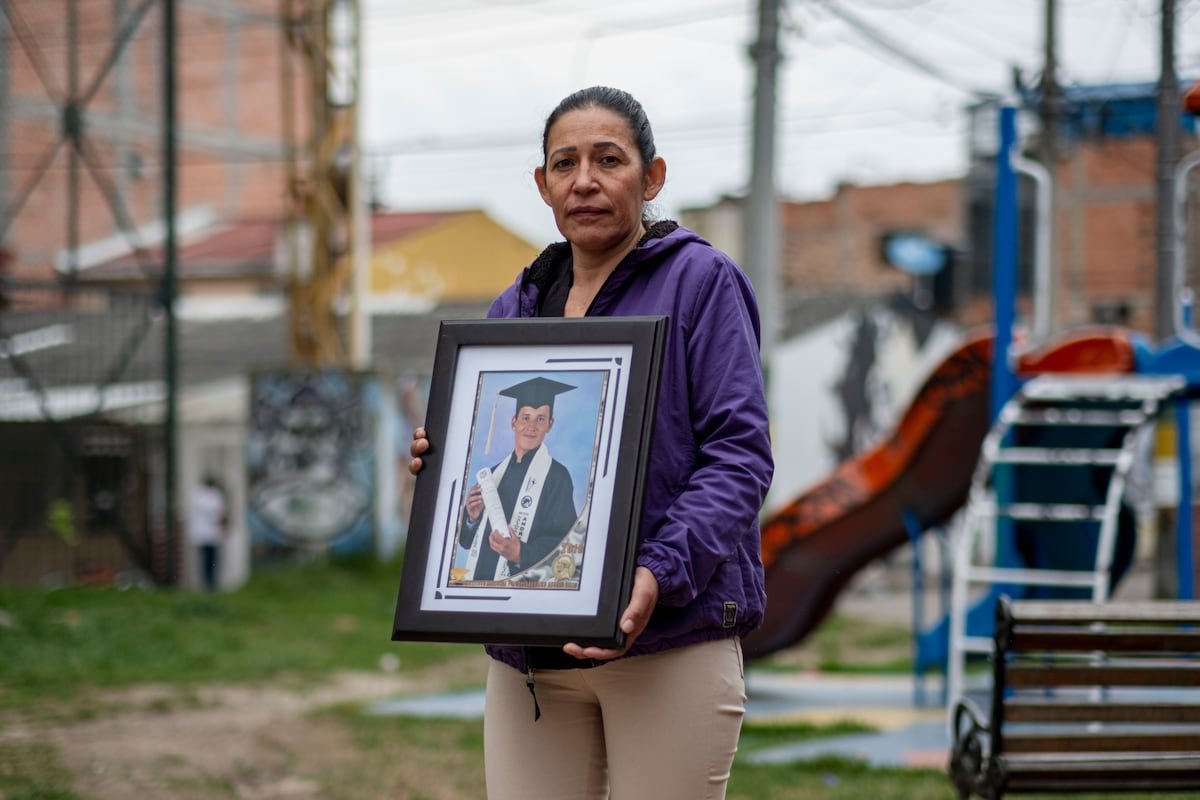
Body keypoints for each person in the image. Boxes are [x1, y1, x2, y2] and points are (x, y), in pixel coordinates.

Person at [409, 85, 773, 800]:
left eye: (609, 159)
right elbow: (484, 456)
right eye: (564, 163)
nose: (585, 180)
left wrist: (656, 575)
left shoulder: (701, 283)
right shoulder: (512, 307)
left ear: (652, 177)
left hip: (668, 641)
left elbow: (740, 455)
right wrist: (444, 467)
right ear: (542, 184)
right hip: (529, 663)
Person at [458, 376, 580, 581]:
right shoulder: (491, 476)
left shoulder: (557, 477)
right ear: (514, 422)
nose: (531, 426)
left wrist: (520, 553)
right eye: (525, 417)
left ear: (550, 425)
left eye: (540, 418)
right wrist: (472, 518)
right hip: (477, 585)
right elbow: (465, 542)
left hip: (524, 592)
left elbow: (566, 544)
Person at [186, 473, 228, 591]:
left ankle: (205, 583)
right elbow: (220, 516)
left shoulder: (196, 496)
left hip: (199, 534)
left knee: (204, 560)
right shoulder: (215, 497)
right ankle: (211, 584)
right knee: (212, 561)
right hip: (212, 534)